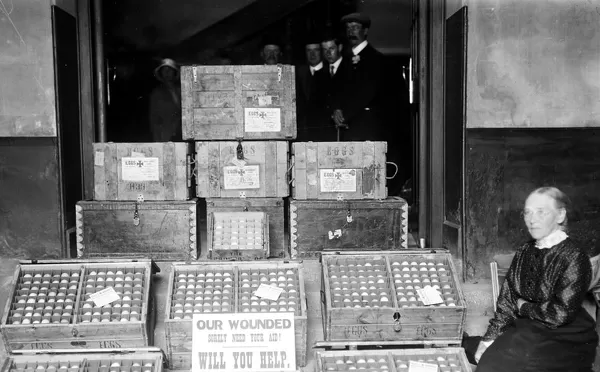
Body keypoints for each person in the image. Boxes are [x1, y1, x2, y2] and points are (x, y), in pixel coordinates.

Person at [475, 187, 598, 372]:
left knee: (498, 363)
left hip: (564, 334)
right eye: (527, 212)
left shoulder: (574, 256)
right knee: (484, 353)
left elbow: (561, 313)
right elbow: (508, 299)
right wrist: (490, 337)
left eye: (541, 212)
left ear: (560, 215)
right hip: (530, 327)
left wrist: (524, 307)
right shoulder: (525, 250)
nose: (532, 219)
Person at [332, 13, 386, 141]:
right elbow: (335, 87)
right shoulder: (346, 59)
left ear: (365, 31)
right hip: (348, 129)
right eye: (348, 28)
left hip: (367, 129)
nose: (351, 32)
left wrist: (344, 115)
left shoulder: (375, 59)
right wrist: (336, 108)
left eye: (355, 27)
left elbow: (367, 93)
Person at [295, 36, 328, 141]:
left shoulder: (330, 71)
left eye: (316, 50)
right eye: (309, 51)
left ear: (322, 52)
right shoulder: (299, 72)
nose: (312, 54)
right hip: (304, 132)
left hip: (325, 131)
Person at [320, 34, 348, 141]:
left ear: (339, 48)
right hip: (327, 133)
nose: (328, 53)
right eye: (324, 49)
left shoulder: (351, 68)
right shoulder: (320, 73)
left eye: (331, 48)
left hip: (346, 129)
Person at [149, 58, 182, 142]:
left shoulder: (181, 90)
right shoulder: (157, 93)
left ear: (174, 72)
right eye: (164, 70)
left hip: (181, 133)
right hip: (165, 134)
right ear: (161, 73)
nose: (167, 73)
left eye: (169, 70)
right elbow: (154, 118)